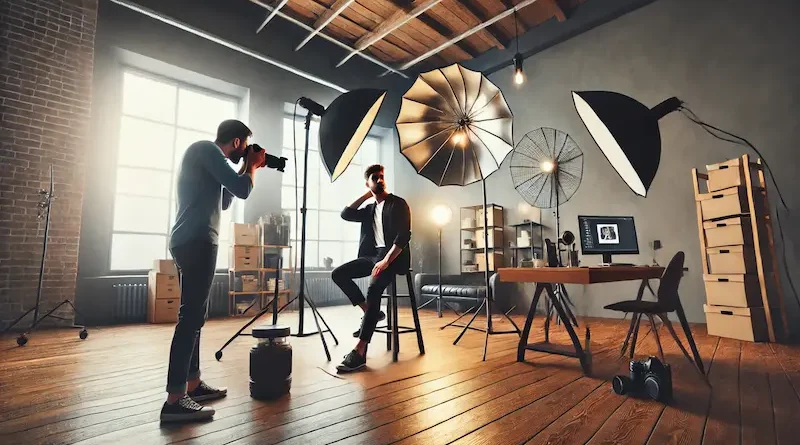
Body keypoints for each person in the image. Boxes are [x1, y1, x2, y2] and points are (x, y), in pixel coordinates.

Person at [160, 119, 266, 422]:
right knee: (190, 317)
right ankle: (174, 400)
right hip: (197, 241)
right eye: (244, 146)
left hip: (191, 240)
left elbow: (225, 198)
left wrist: (245, 168)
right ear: (236, 143)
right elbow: (243, 190)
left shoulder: (207, 158)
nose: (245, 151)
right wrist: (252, 167)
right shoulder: (207, 150)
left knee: (196, 316)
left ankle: (192, 385)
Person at [332, 164, 412, 372]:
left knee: (373, 290)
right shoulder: (369, 209)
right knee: (338, 274)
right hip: (372, 256)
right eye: (374, 177)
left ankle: (359, 351)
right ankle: (370, 312)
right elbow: (345, 214)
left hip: (394, 256)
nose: (379, 179)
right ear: (368, 183)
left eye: (382, 176)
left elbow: (403, 236)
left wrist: (386, 260)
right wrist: (367, 194)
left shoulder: (398, 203)